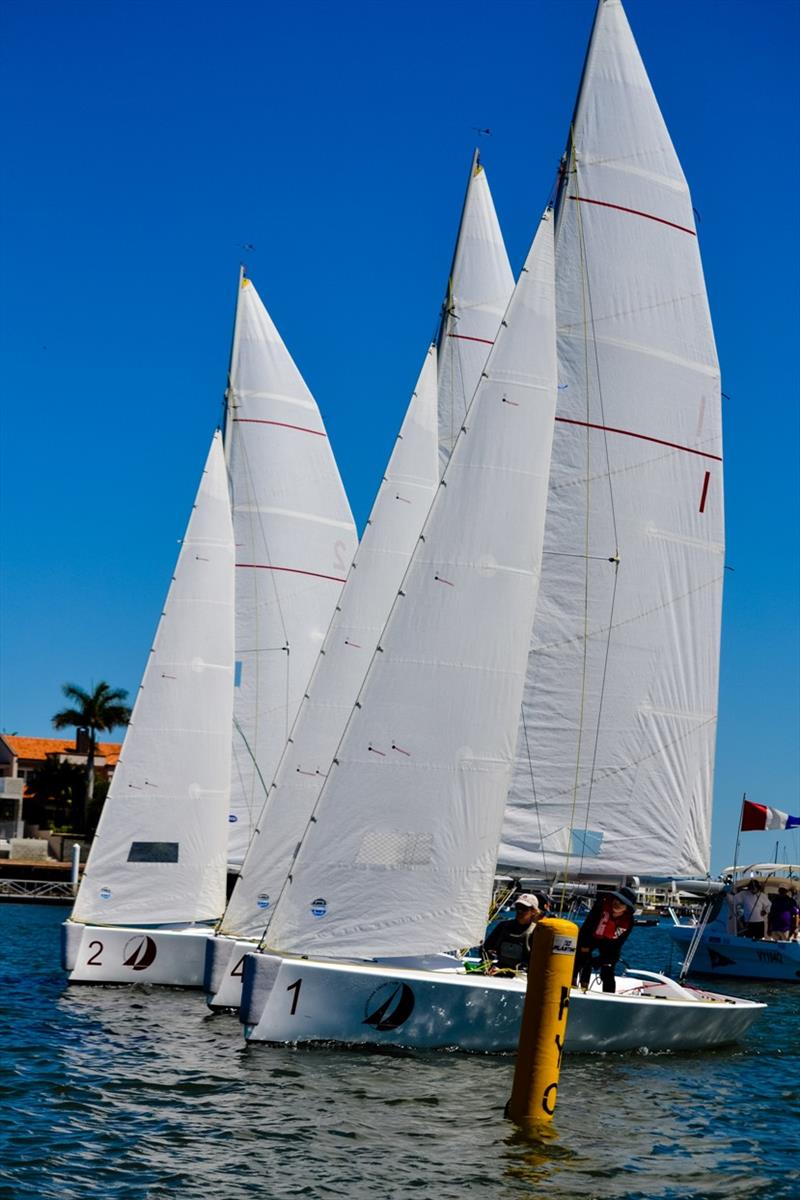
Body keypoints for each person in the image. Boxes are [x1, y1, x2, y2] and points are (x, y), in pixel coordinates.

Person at [572, 885, 636, 993]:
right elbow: (587, 927)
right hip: (591, 937)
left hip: (610, 944)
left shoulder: (629, 921)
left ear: (627, 908)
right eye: (616, 900)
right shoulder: (600, 907)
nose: (617, 904)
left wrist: (603, 960)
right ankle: (574, 986)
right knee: (581, 960)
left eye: (622, 903)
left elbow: (619, 943)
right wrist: (584, 947)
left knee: (608, 969)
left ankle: (609, 996)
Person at [481, 894, 542, 973]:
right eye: (518, 907)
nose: (519, 911)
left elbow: (539, 960)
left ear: (533, 911)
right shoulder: (503, 927)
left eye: (524, 908)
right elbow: (485, 948)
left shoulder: (536, 932)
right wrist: (488, 960)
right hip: (498, 970)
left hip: (522, 975)